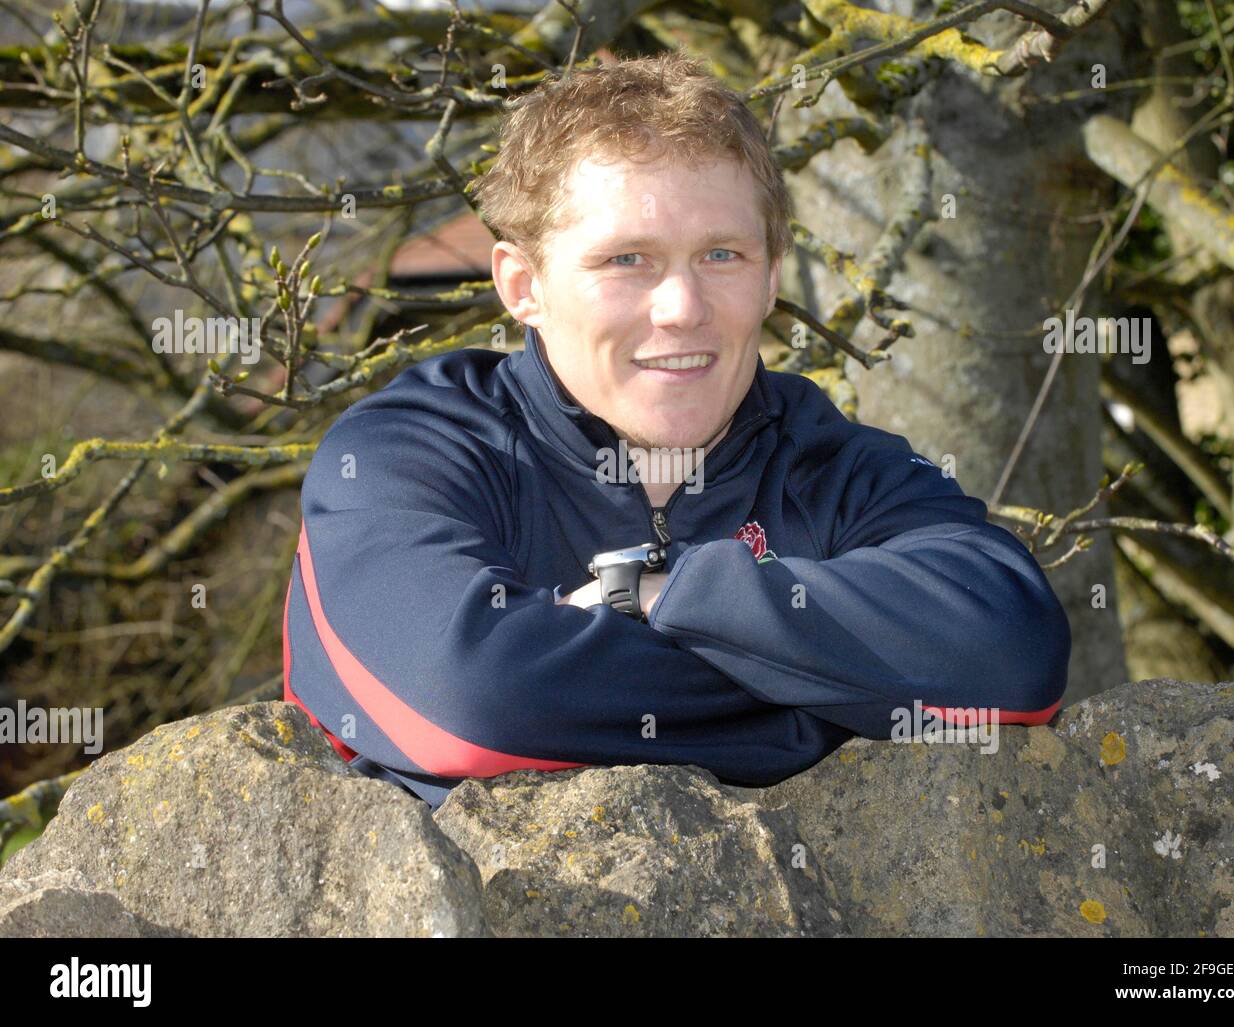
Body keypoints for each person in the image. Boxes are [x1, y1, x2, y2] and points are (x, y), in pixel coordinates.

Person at [282, 50, 1071, 810]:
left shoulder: (831, 464)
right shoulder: (405, 454)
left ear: (770, 277)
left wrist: (663, 593)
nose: (683, 307)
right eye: (628, 259)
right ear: (522, 284)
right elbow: (470, 702)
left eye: (722, 254)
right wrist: (831, 705)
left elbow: (1013, 651)